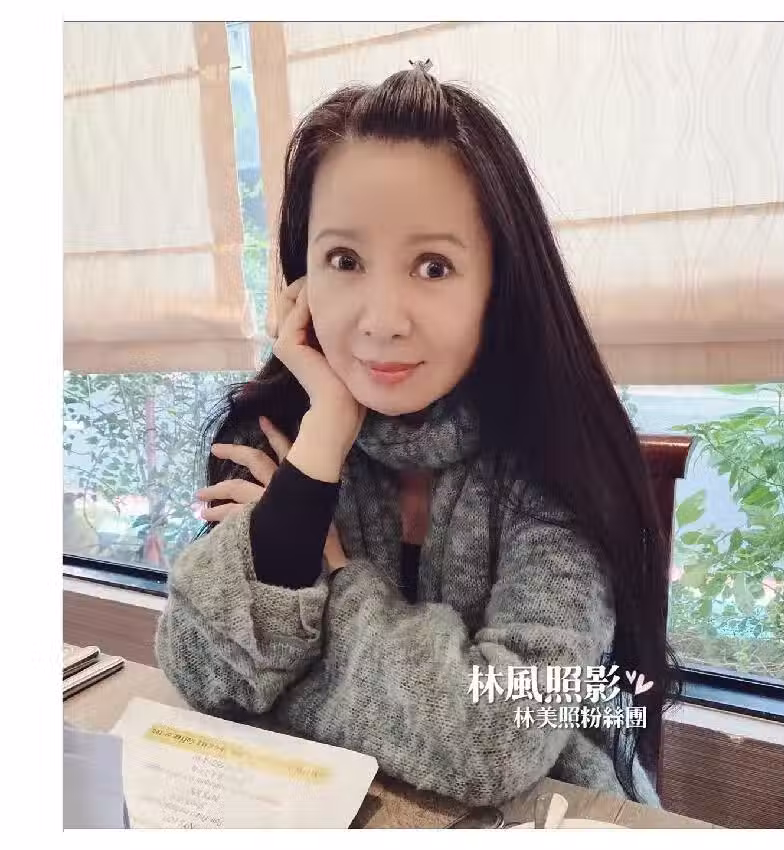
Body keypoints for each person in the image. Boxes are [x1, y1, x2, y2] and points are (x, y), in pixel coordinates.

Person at [155, 60, 682, 809]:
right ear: (300, 277)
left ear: (499, 283)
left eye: (433, 266)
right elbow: (211, 680)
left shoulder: (557, 466)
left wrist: (338, 583)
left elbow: (495, 746)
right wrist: (318, 454)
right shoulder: (279, 436)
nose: (381, 319)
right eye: (344, 260)